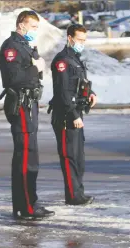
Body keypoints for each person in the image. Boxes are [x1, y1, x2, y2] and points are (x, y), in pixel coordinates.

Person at [0, 10, 54, 219]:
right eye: (32, 27)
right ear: (21, 25)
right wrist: (35, 67)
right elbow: (14, 78)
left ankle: (29, 202)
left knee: (31, 155)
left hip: (29, 103)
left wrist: (36, 63)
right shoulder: (11, 47)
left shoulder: (25, 46)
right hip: (20, 103)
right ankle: (26, 207)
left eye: (36, 28)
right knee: (25, 156)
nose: (34, 31)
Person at [49, 24, 97, 205]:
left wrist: (91, 93)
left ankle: (78, 192)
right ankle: (73, 196)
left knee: (78, 157)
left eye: (84, 40)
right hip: (66, 116)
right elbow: (63, 92)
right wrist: (74, 115)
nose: (82, 43)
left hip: (76, 112)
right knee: (69, 157)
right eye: (79, 40)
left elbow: (80, 84)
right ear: (69, 38)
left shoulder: (76, 59)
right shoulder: (62, 61)